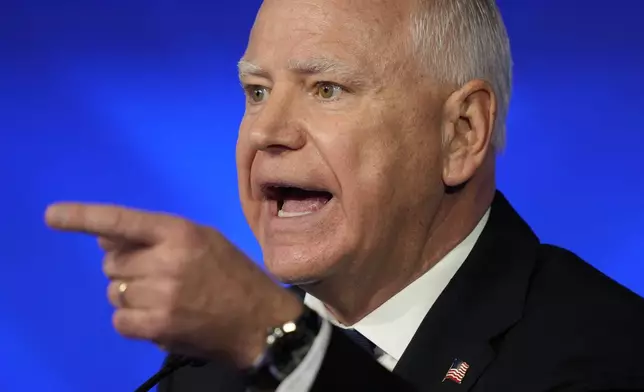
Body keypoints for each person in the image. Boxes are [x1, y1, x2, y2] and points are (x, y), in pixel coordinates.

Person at [45, 0, 644, 390]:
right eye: (256, 92)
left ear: (461, 133)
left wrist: (283, 344)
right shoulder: (206, 374)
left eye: (326, 88)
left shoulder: (608, 350)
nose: (266, 132)